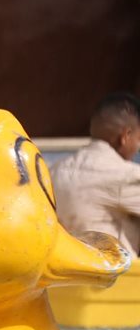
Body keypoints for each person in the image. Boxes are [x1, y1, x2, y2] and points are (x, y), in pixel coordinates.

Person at [52, 91, 140, 257]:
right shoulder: (125, 175)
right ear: (125, 136)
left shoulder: (55, 170)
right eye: (138, 139)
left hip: (64, 267)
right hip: (109, 270)